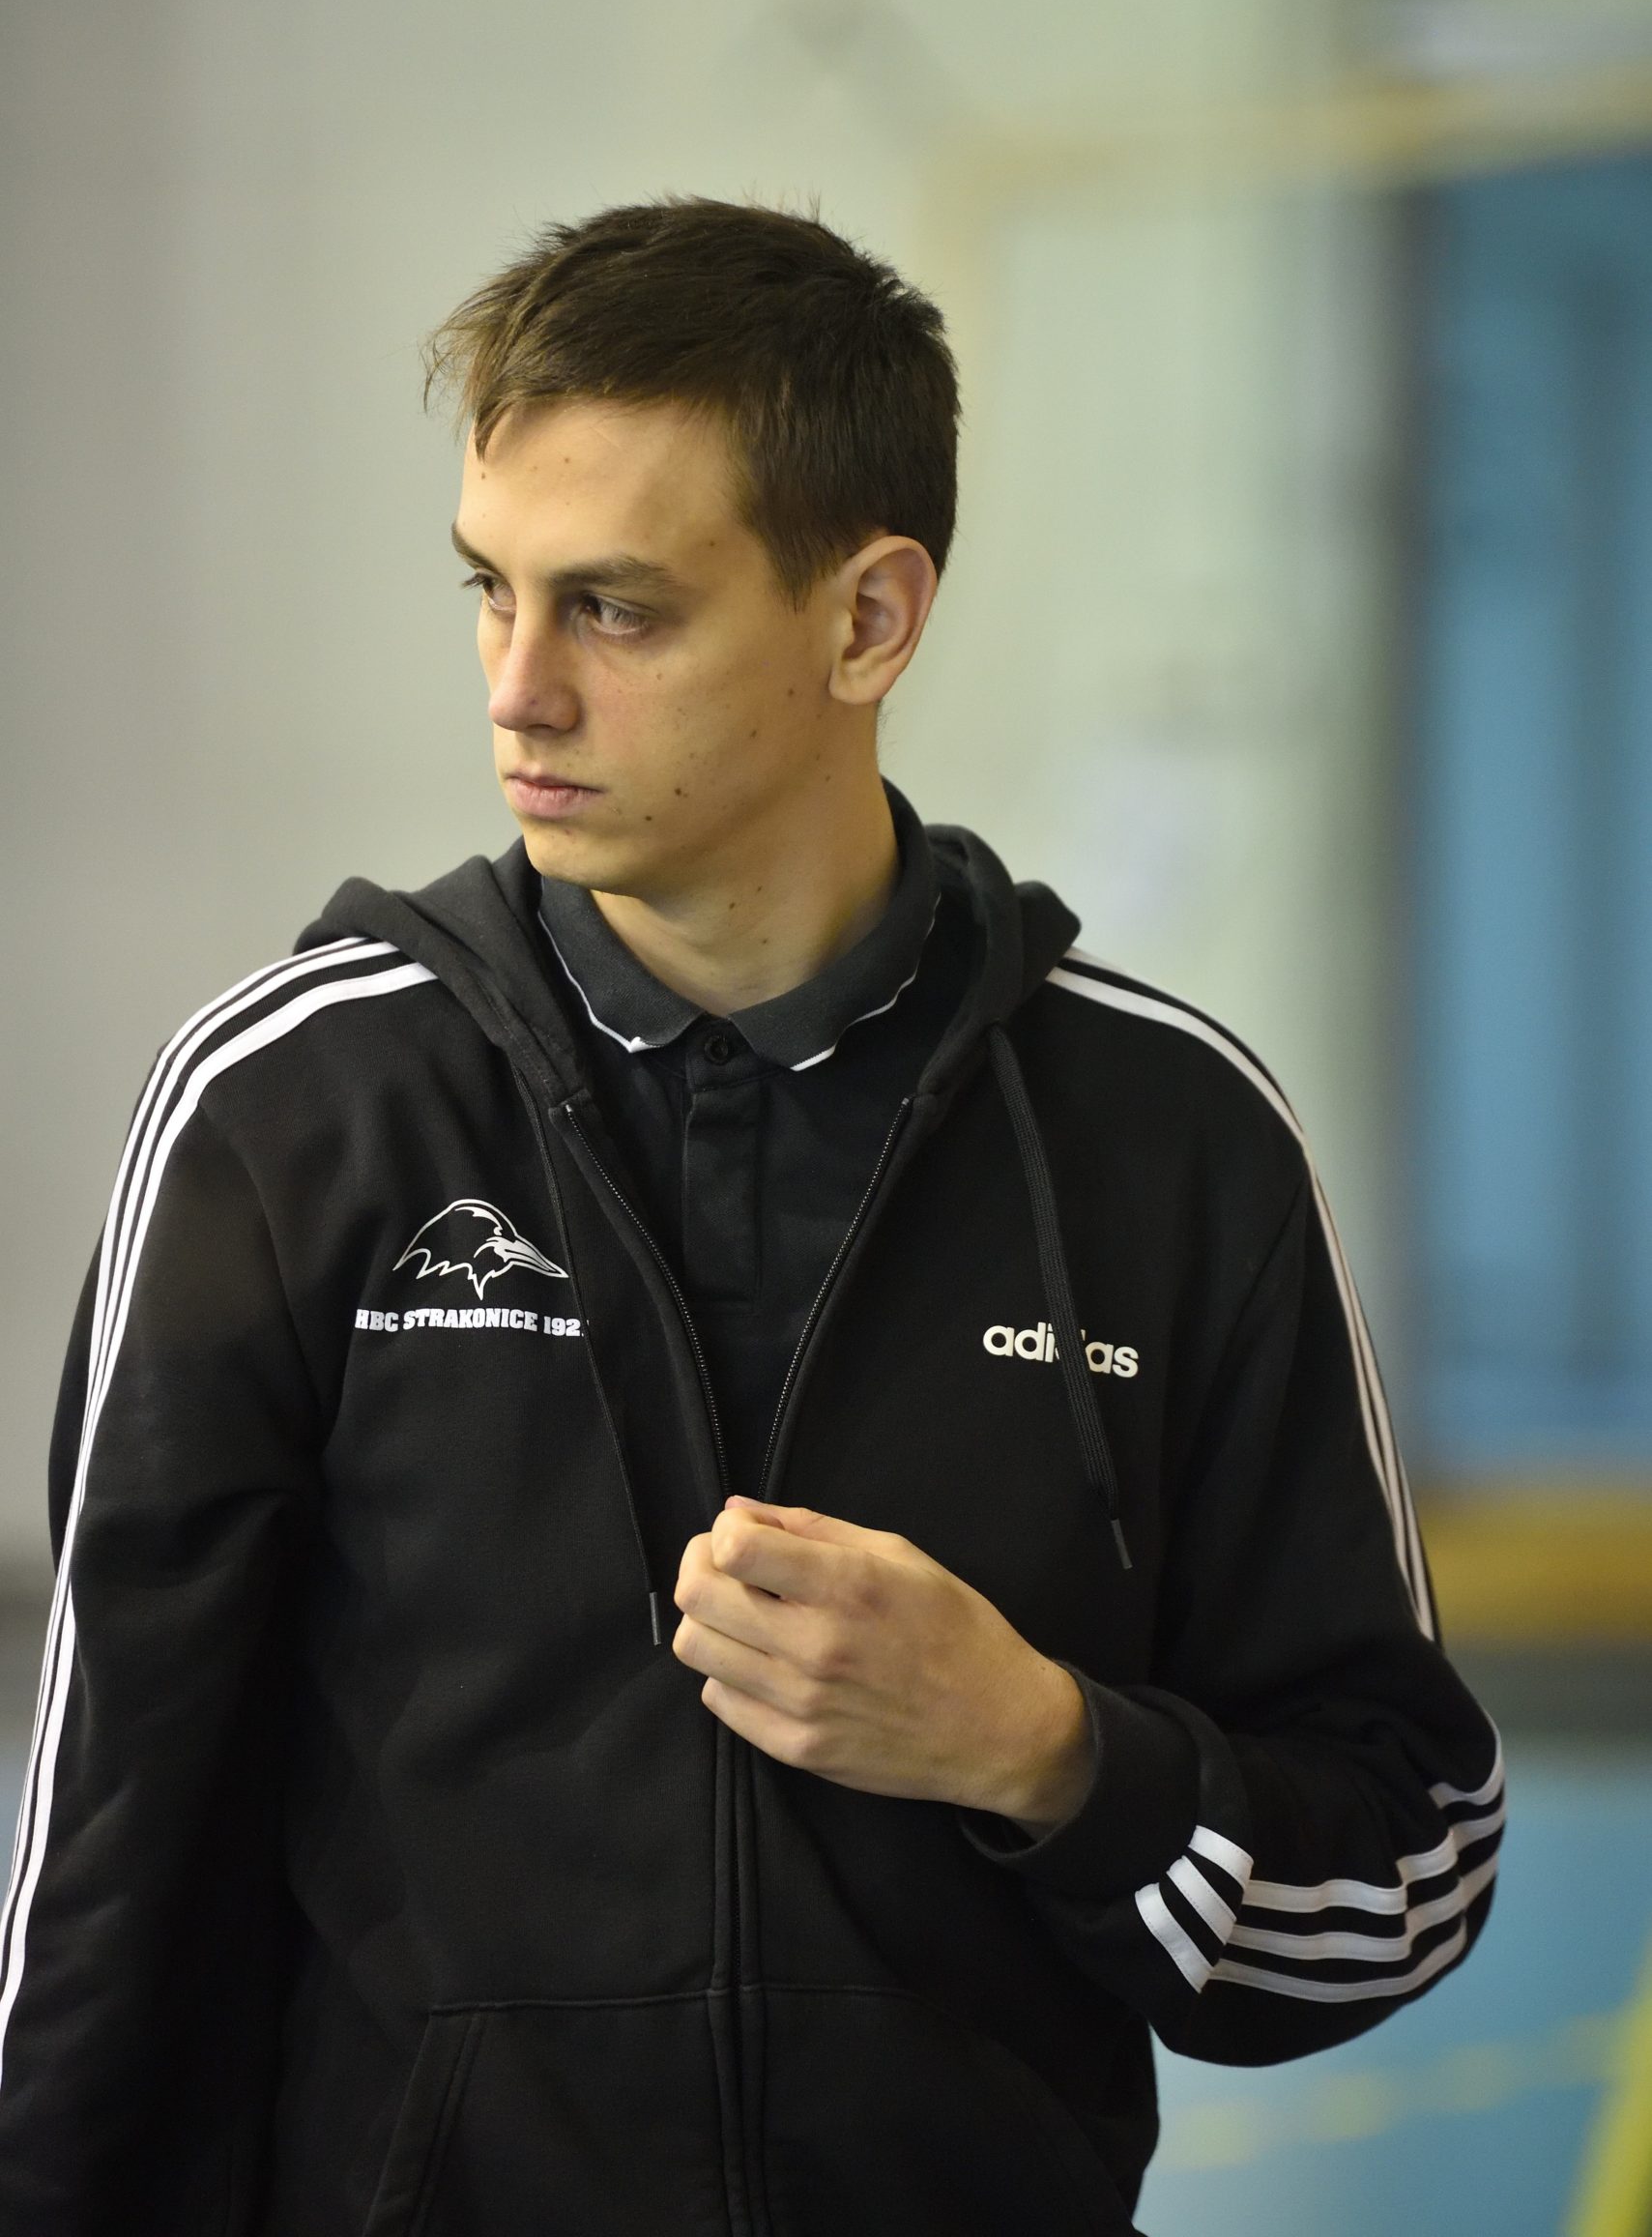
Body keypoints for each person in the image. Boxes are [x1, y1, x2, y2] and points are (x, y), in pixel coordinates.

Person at [0, 194, 1501, 2236]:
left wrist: (1041, 1748)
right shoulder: (288, 1113)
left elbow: (1405, 1872)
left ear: (867, 619)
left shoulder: (1175, 1141)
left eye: (615, 610)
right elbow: (104, 1880)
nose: (517, 691)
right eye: (490, 591)